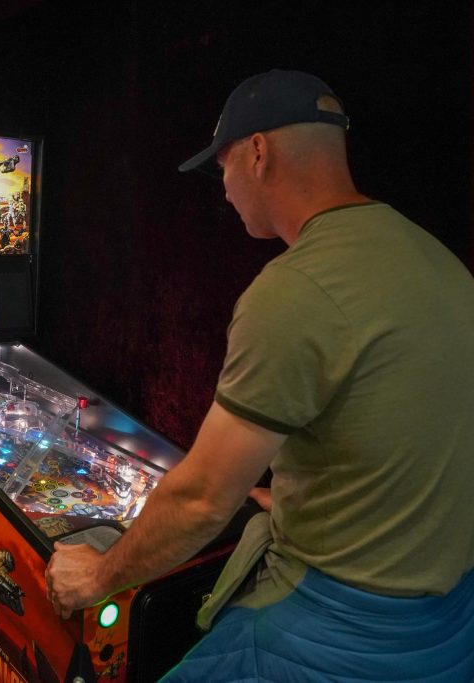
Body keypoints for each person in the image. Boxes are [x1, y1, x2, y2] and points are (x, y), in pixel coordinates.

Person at [45, 70, 474, 681]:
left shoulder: (298, 286)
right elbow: (411, 423)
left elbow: (200, 500)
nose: (222, 190)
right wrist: (305, 499)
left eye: (221, 168)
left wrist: (98, 573)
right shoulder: (436, 259)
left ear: (257, 152)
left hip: (343, 633)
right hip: (453, 624)